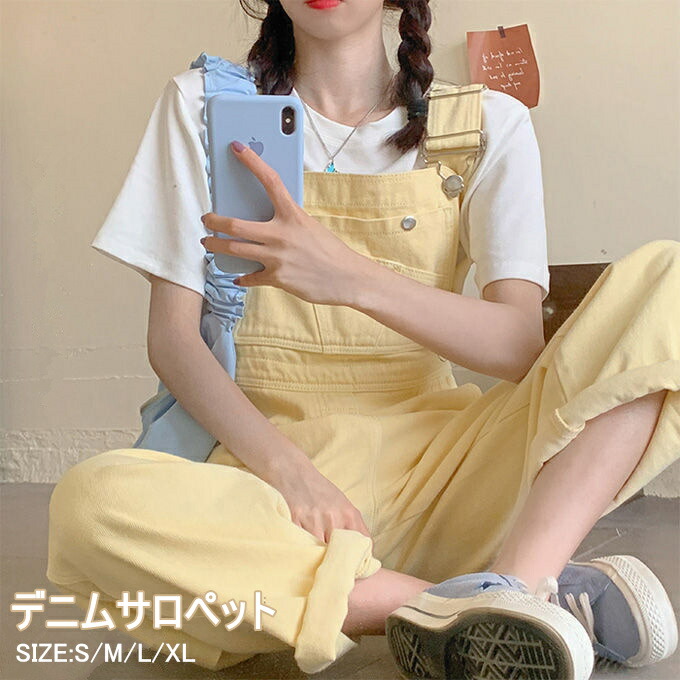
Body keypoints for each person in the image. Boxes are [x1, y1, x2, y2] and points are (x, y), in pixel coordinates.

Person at [46, 1, 680, 678]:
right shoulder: (202, 106)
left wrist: (348, 276)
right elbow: (174, 341)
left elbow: (517, 345)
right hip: (274, 496)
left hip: (446, 474)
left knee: (669, 282)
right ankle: (482, 602)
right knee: (92, 506)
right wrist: (295, 477)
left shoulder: (486, 122)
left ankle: (508, 584)